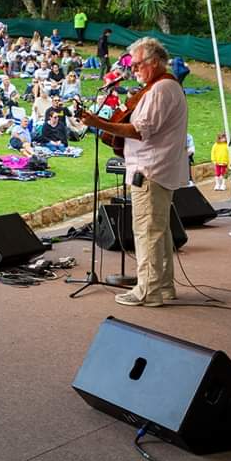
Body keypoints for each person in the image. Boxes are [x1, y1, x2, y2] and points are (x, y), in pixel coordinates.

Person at [78, 37, 188, 307]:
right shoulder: (165, 87)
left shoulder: (160, 90)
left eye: (137, 64)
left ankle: (147, 291)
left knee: (147, 232)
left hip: (150, 170)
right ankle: (162, 287)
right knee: (158, 233)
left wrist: (98, 123)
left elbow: (139, 130)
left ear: (154, 62)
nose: (134, 69)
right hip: (159, 169)